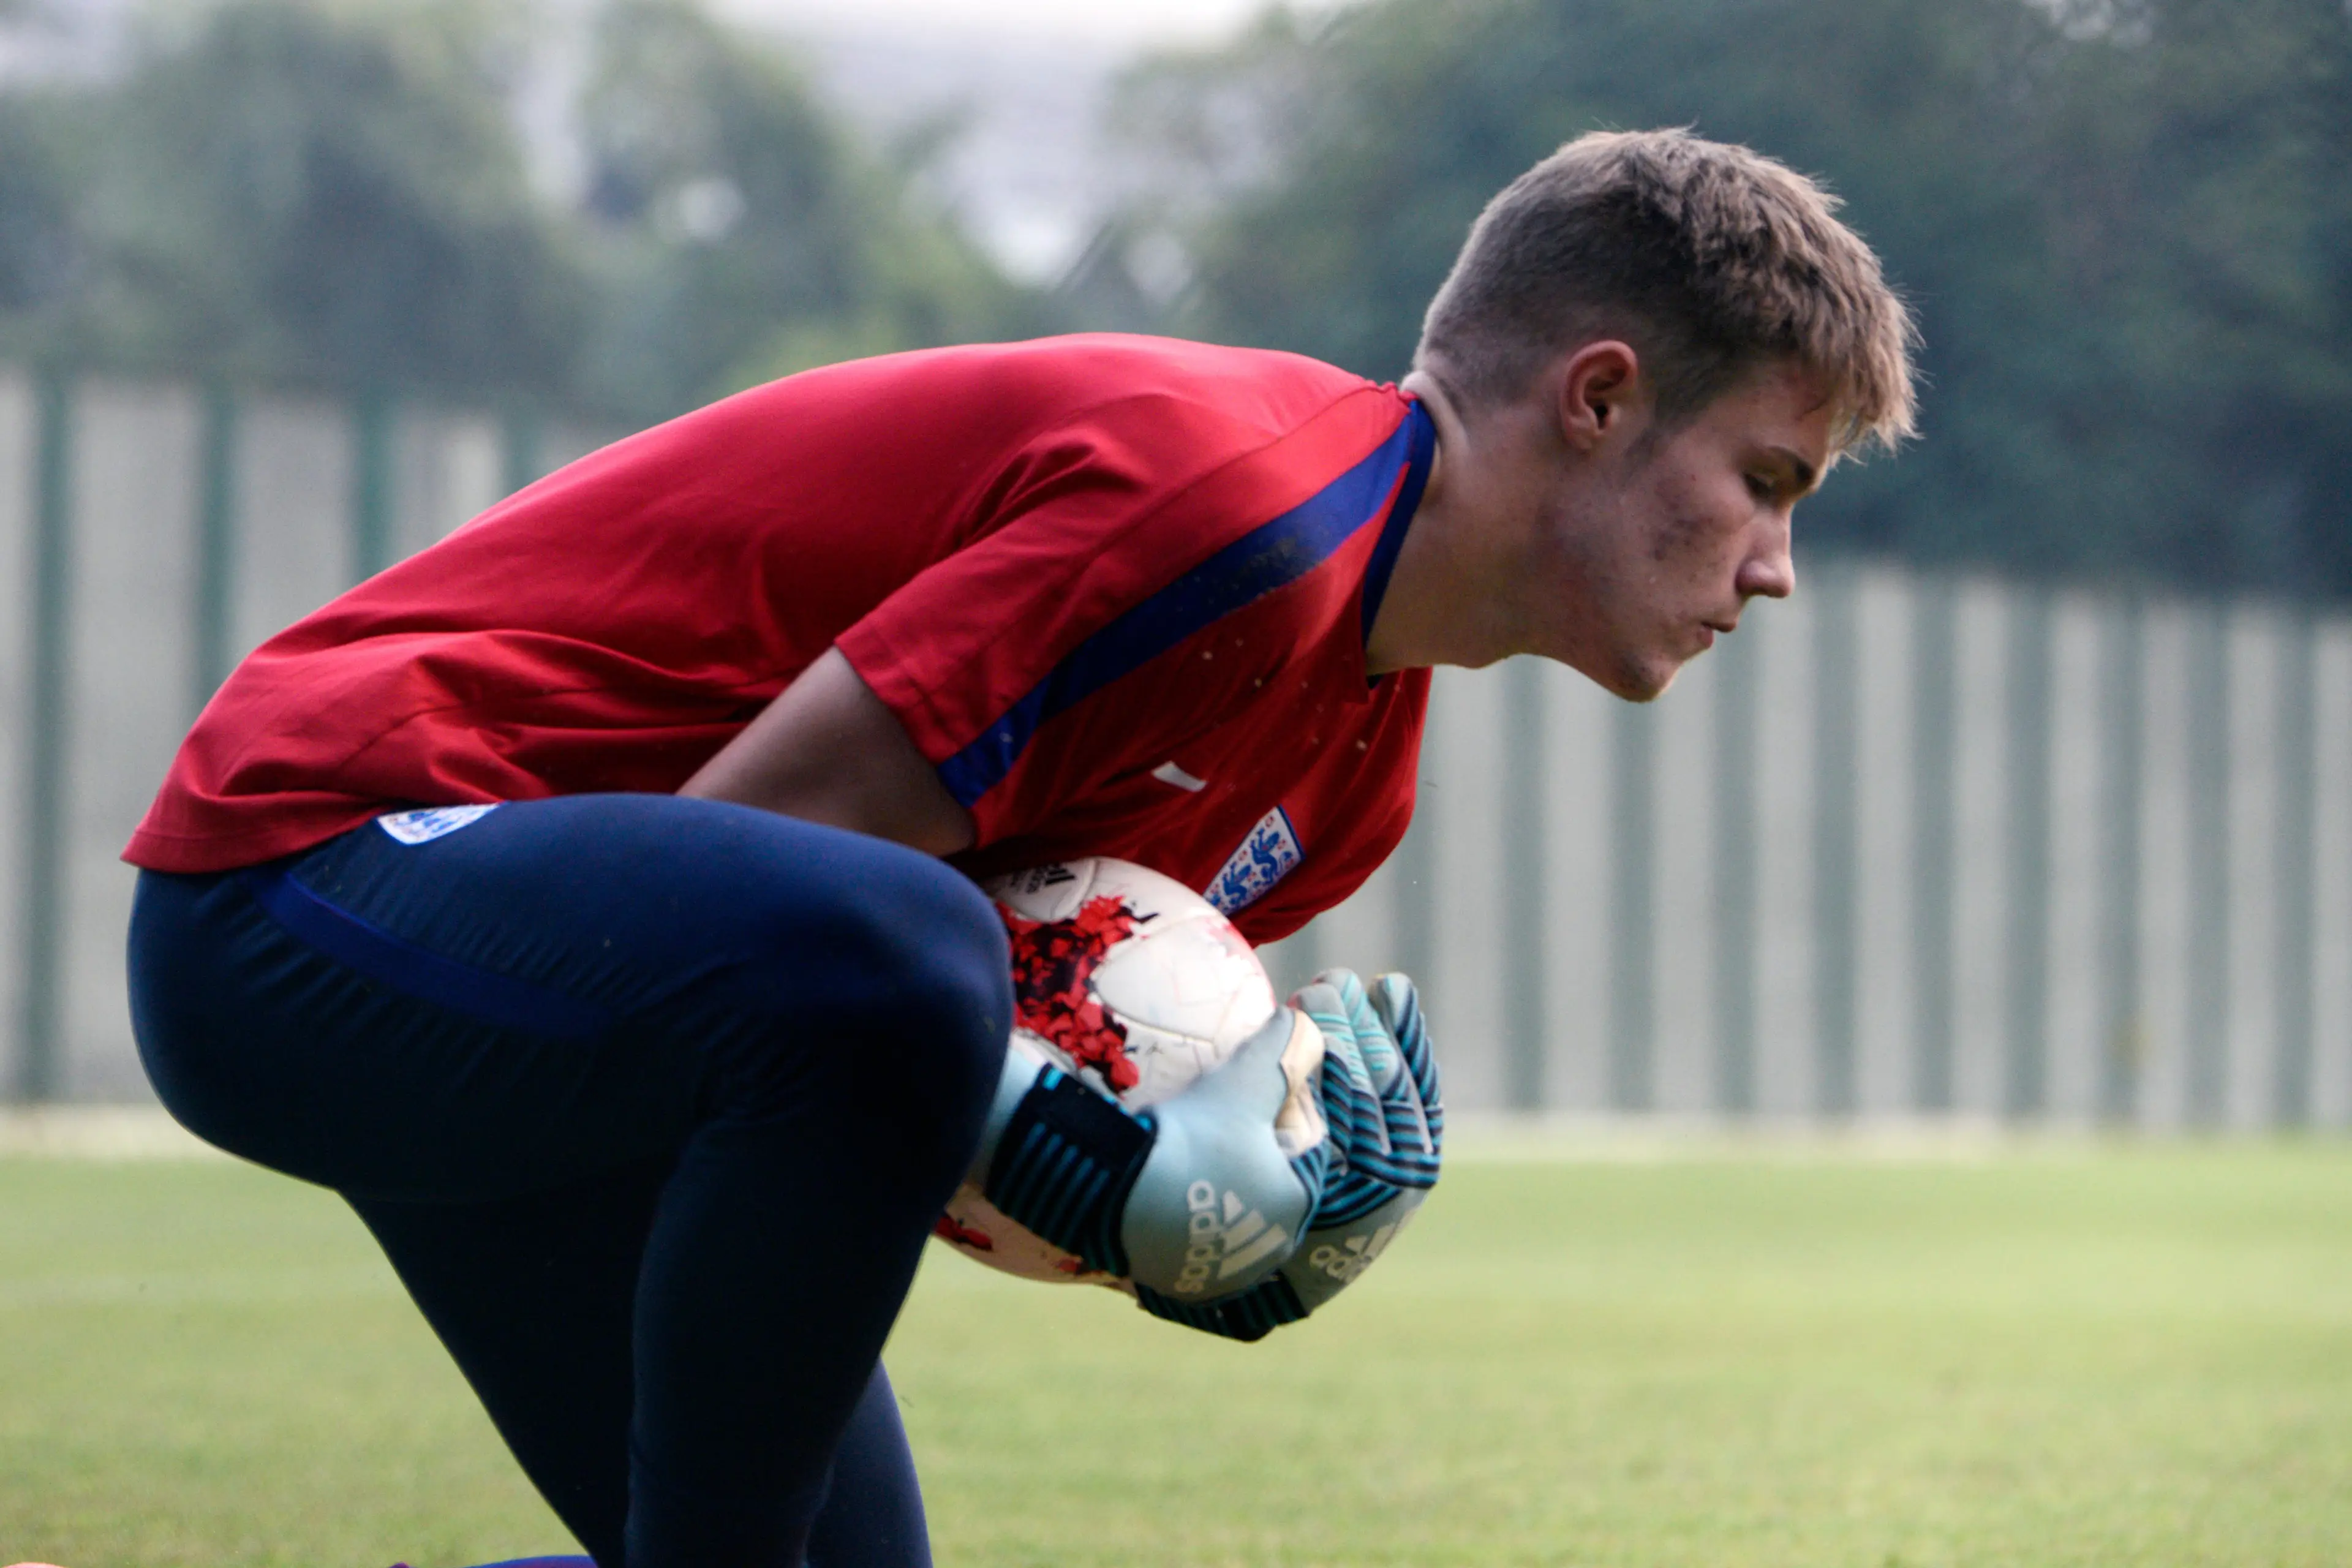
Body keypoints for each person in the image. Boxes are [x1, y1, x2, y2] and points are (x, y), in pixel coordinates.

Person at [123, 128, 1916, 1568]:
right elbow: (796, 904)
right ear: (1597, 398)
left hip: (587, 1011)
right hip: (312, 879)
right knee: (899, 958)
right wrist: (1055, 1130)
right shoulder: (1234, 509)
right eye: (1769, 480)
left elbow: (848, 1083)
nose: (1773, 565)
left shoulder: (1354, 781)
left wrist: (1180, 1199)